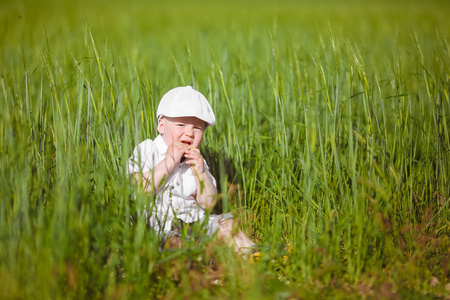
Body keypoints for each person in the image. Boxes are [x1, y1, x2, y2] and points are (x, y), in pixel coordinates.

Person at [127, 86, 256, 254]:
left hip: (195, 225)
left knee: (228, 226)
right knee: (176, 245)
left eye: (197, 128)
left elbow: (208, 203)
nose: (189, 133)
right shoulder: (147, 150)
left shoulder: (197, 162)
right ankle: (206, 260)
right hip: (160, 230)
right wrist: (168, 162)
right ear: (161, 125)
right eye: (181, 125)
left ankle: (256, 256)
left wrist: (200, 174)